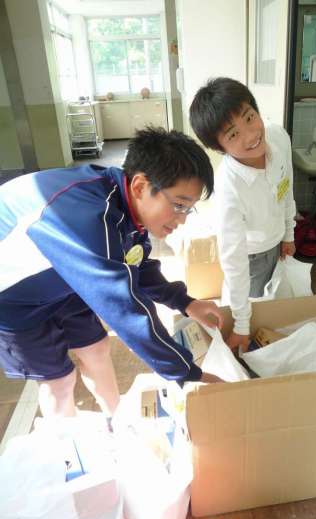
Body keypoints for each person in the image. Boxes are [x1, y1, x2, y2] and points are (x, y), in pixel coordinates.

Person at [0, 127, 224, 420]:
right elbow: (124, 310)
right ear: (141, 186)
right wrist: (187, 373)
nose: (181, 219)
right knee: (60, 381)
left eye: (188, 209)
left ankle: (117, 422)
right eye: (179, 205)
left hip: (64, 278)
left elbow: (135, 261)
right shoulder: (88, 219)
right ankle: (66, 443)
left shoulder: (123, 199)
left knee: (97, 349)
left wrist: (186, 302)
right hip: (13, 298)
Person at [190, 77, 296, 353]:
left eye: (250, 118)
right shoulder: (228, 189)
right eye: (233, 135)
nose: (250, 135)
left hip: (278, 244)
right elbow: (233, 258)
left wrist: (289, 232)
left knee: (280, 310)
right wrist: (240, 324)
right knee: (254, 321)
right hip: (251, 258)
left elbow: (287, 187)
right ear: (220, 147)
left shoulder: (278, 137)